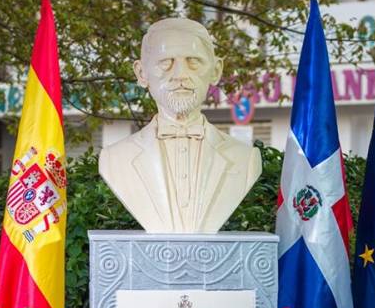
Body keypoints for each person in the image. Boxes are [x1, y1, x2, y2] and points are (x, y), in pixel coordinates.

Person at [98, 18, 261, 233]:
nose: (180, 75)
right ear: (141, 73)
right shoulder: (114, 159)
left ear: (216, 70)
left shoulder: (246, 159)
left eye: (193, 61)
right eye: (165, 62)